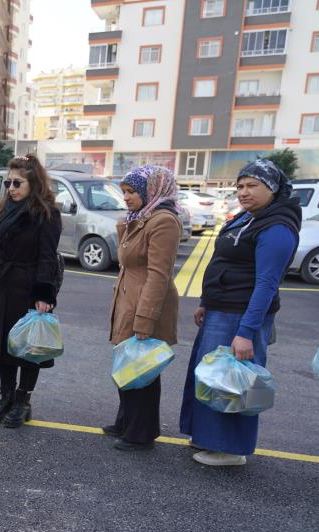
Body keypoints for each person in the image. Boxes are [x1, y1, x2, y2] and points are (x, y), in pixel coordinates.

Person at [179, 159, 301, 466]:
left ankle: (230, 450)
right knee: (211, 377)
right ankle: (208, 438)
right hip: (222, 310)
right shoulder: (248, 217)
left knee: (233, 383)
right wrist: (207, 299)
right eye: (240, 186)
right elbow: (223, 259)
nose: (243, 192)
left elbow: (266, 284)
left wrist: (246, 332)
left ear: (272, 188)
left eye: (252, 186)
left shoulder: (277, 227)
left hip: (241, 315)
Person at [0, 154, 62, 429]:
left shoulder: (46, 213)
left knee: (28, 348)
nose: (11, 188)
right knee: (3, 345)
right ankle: (6, 396)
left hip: (28, 286)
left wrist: (44, 293)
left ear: (33, 183)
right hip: (2, 284)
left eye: (17, 183)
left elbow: (48, 256)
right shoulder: (4, 210)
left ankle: (23, 401)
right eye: (8, 183)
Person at [103, 166, 182, 451]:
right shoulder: (141, 218)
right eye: (124, 191)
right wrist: (129, 222)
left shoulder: (163, 221)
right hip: (128, 302)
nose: (126, 197)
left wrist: (145, 319)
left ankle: (141, 433)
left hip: (145, 305)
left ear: (153, 190)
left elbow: (158, 274)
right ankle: (126, 421)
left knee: (143, 370)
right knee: (128, 364)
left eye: (133, 191)